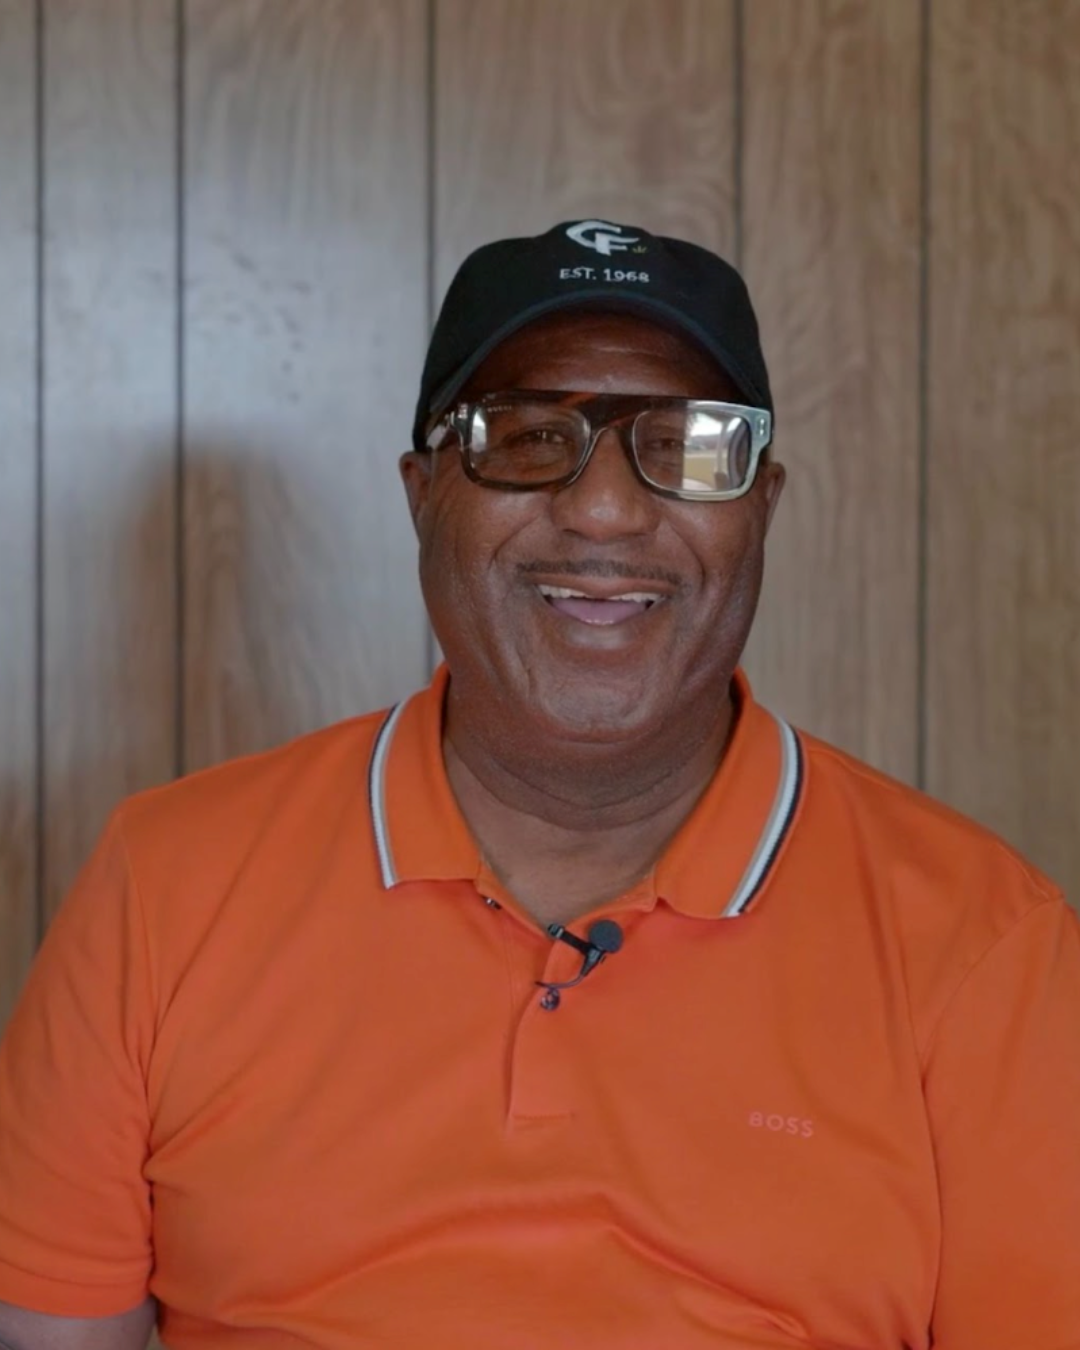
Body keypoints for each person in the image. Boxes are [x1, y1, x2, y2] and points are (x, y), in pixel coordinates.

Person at [0, 219, 1077, 1350]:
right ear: (422, 494)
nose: (605, 510)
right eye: (522, 436)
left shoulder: (984, 944)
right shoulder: (166, 883)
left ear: (761, 504)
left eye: (690, 442)